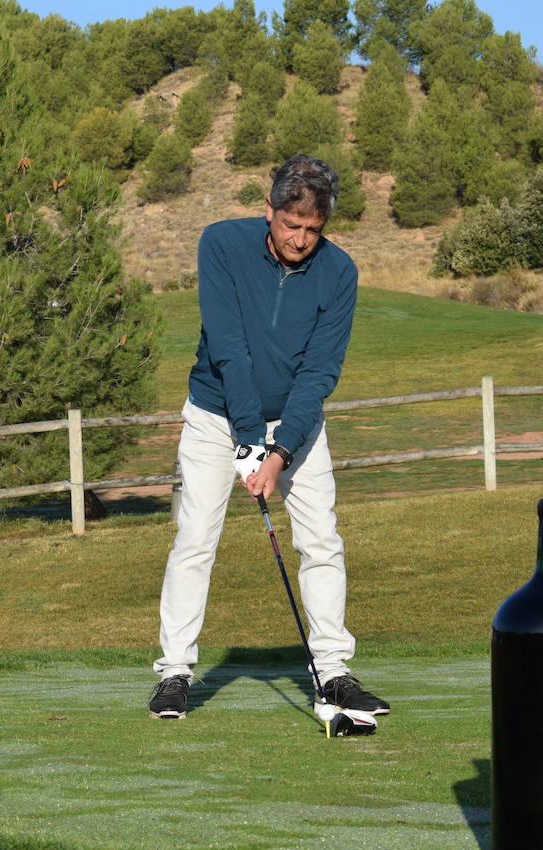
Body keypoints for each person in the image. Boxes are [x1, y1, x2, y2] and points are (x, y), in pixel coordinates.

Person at [149, 154, 390, 721]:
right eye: (291, 225)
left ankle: (332, 673)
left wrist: (278, 454)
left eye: (313, 229)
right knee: (195, 542)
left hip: (296, 428)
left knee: (322, 543)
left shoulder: (340, 272)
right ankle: (175, 673)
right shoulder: (221, 245)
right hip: (215, 419)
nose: (302, 239)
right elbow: (229, 347)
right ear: (269, 210)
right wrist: (249, 441)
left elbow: (320, 372)